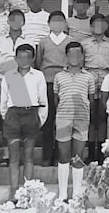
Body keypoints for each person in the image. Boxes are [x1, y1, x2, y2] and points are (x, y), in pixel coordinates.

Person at [0, 44, 48, 201]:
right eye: (20, 57)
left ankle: (27, 192)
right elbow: (4, 100)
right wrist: (7, 117)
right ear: (15, 58)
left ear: (33, 58)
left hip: (31, 114)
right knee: (13, 157)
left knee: (28, 156)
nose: (24, 60)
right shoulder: (9, 75)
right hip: (13, 115)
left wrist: (39, 120)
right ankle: (14, 192)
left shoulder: (38, 76)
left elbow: (43, 101)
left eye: (28, 57)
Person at [0, 9, 34, 167]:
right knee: (7, 118)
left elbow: (32, 63)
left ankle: (21, 154)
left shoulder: (28, 40)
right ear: (8, 21)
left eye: (19, 20)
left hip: (23, 81)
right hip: (4, 80)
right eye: (13, 19)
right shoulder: (0, 40)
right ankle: (6, 154)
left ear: (24, 22)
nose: (16, 22)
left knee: (23, 118)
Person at [54, 41, 95, 201]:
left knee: (78, 156)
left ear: (83, 56)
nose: (74, 57)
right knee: (64, 155)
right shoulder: (59, 76)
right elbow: (56, 99)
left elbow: (90, 99)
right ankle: (63, 193)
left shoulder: (89, 77)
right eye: (71, 53)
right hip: (63, 117)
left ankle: (77, 193)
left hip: (82, 118)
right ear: (66, 56)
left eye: (78, 53)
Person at [36, 11, 72, 166]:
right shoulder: (43, 41)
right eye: (54, 21)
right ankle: (47, 155)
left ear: (65, 24)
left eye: (60, 21)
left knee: (62, 120)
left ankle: (60, 155)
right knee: (48, 120)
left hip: (64, 82)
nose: (57, 24)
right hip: (47, 82)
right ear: (49, 24)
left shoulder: (70, 40)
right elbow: (38, 62)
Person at [81, 13, 109, 162]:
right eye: (95, 24)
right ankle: (90, 152)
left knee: (103, 116)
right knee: (89, 117)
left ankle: (102, 151)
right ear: (90, 27)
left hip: (106, 78)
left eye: (102, 24)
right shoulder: (84, 44)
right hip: (88, 78)